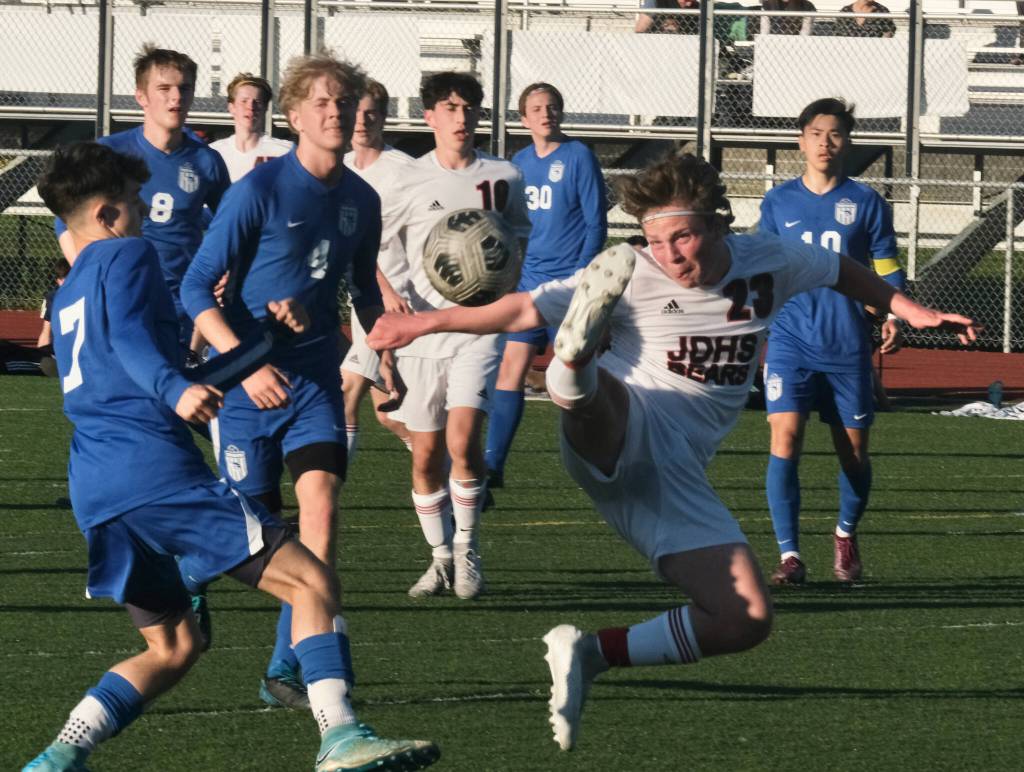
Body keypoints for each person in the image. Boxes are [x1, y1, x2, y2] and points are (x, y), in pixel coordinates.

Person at [365, 151, 977, 751]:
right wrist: (421, 325)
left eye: (682, 238)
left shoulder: (770, 259)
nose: (668, 254)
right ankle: (573, 364)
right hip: (625, 422)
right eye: (657, 241)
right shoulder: (628, 268)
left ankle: (589, 652)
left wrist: (909, 308)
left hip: (675, 475)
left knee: (745, 617)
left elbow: (841, 269)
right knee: (591, 383)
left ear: (717, 223)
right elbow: (523, 306)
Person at [24, 141, 439, 772]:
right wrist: (175, 388)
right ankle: (341, 737)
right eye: (135, 203)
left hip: (96, 484)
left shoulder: (73, 285)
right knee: (312, 581)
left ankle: (60, 755)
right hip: (152, 473)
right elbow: (142, 351)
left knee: (173, 644)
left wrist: (262, 343)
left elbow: (141, 363)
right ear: (108, 214)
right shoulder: (127, 252)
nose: (143, 214)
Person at [180, 53, 398, 709]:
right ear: (297, 115)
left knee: (321, 521)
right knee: (248, 530)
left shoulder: (362, 200)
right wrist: (246, 363)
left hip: (314, 386)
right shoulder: (260, 191)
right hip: (249, 390)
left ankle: (287, 671)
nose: (336, 113)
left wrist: (389, 359)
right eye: (323, 103)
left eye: (346, 102)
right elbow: (197, 288)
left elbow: (364, 293)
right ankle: (190, 569)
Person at [380, 71, 531, 599]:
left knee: (463, 442)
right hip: (421, 331)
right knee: (425, 456)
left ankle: (467, 551)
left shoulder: (504, 174)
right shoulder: (408, 179)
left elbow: (518, 237)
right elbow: (375, 245)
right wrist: (388, 294)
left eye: (469, 108)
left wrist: (502, 283)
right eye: (449, 107)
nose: (461, 118)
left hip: (478, 328)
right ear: (429, 117)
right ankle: (439, 559)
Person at [759, 98, 904, 585]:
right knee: (785, 438)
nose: (825, 142)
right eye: (817, 132)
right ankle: (789, 557)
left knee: (854, 455)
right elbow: (763, 262)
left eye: (836, 133)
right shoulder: (777, 202)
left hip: (846, 345)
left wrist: (892, 308)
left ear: (848, 142)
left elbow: (885, 263)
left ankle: (844, 533)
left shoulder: (867, 203)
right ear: (801, 139)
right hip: (790, 340)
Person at [54, 45, 231, 351]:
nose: (176, 97)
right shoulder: (109, 152)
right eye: (164, 88)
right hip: (120, 293)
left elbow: (231, 225)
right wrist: (86, 273)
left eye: (184, 88)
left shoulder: (206, 161)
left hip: (180, 302)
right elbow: (65, 219)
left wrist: (227, 270)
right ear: (141, 97)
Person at [485, 82, 607, 488]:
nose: (546, 113)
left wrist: (583, 276)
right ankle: (493, 464)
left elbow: (596, 223)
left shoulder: (579, 157)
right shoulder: (519, 162)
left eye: (552, 106)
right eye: (536, 108)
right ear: (524, 118)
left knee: (576, 376)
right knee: (511, 369)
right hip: (530, 282)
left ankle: (600, 457)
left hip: (568, 284)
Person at [339, 78, 416, 466]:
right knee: (388, 413)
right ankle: (438, 461)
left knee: (346, 391)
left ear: (384, 118)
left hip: (395, 301)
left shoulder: (403, 170)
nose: (363, 120)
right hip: (363, 299)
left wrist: (391, 288)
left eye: (373, 113)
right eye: (358, 111)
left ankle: (327, 493)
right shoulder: (341, 165)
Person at [209, 72, 293, 182]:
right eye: (244, 101)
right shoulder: (213, 152)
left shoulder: (285, 152)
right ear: (231, 107)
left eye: (257, 102)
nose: (251, 107)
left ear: (265, 108)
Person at [36, 258, 71, 349]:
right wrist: (41, 357)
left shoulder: (88, 296)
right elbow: (46, 332)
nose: (67, 284)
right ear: (58, 281)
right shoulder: (51, 299)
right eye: (63, 280)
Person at [636, 0, 701, 35]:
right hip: (657, 44)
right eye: (686, 1)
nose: (689, 3)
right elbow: (640, 30)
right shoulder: (656, 1)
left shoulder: (700, 8)